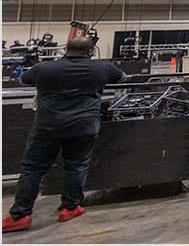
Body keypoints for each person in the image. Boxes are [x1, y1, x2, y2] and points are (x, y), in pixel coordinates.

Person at [3, 37, 126, 233]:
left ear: (66, 49)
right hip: (84, 126)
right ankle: (70, 207)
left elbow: (23, 80)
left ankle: (20, 215)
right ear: (91, 51)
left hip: (48, 125)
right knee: (77, 166)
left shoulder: (44, 68)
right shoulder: (102, 68)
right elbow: (122, 78)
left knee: (32, 170)